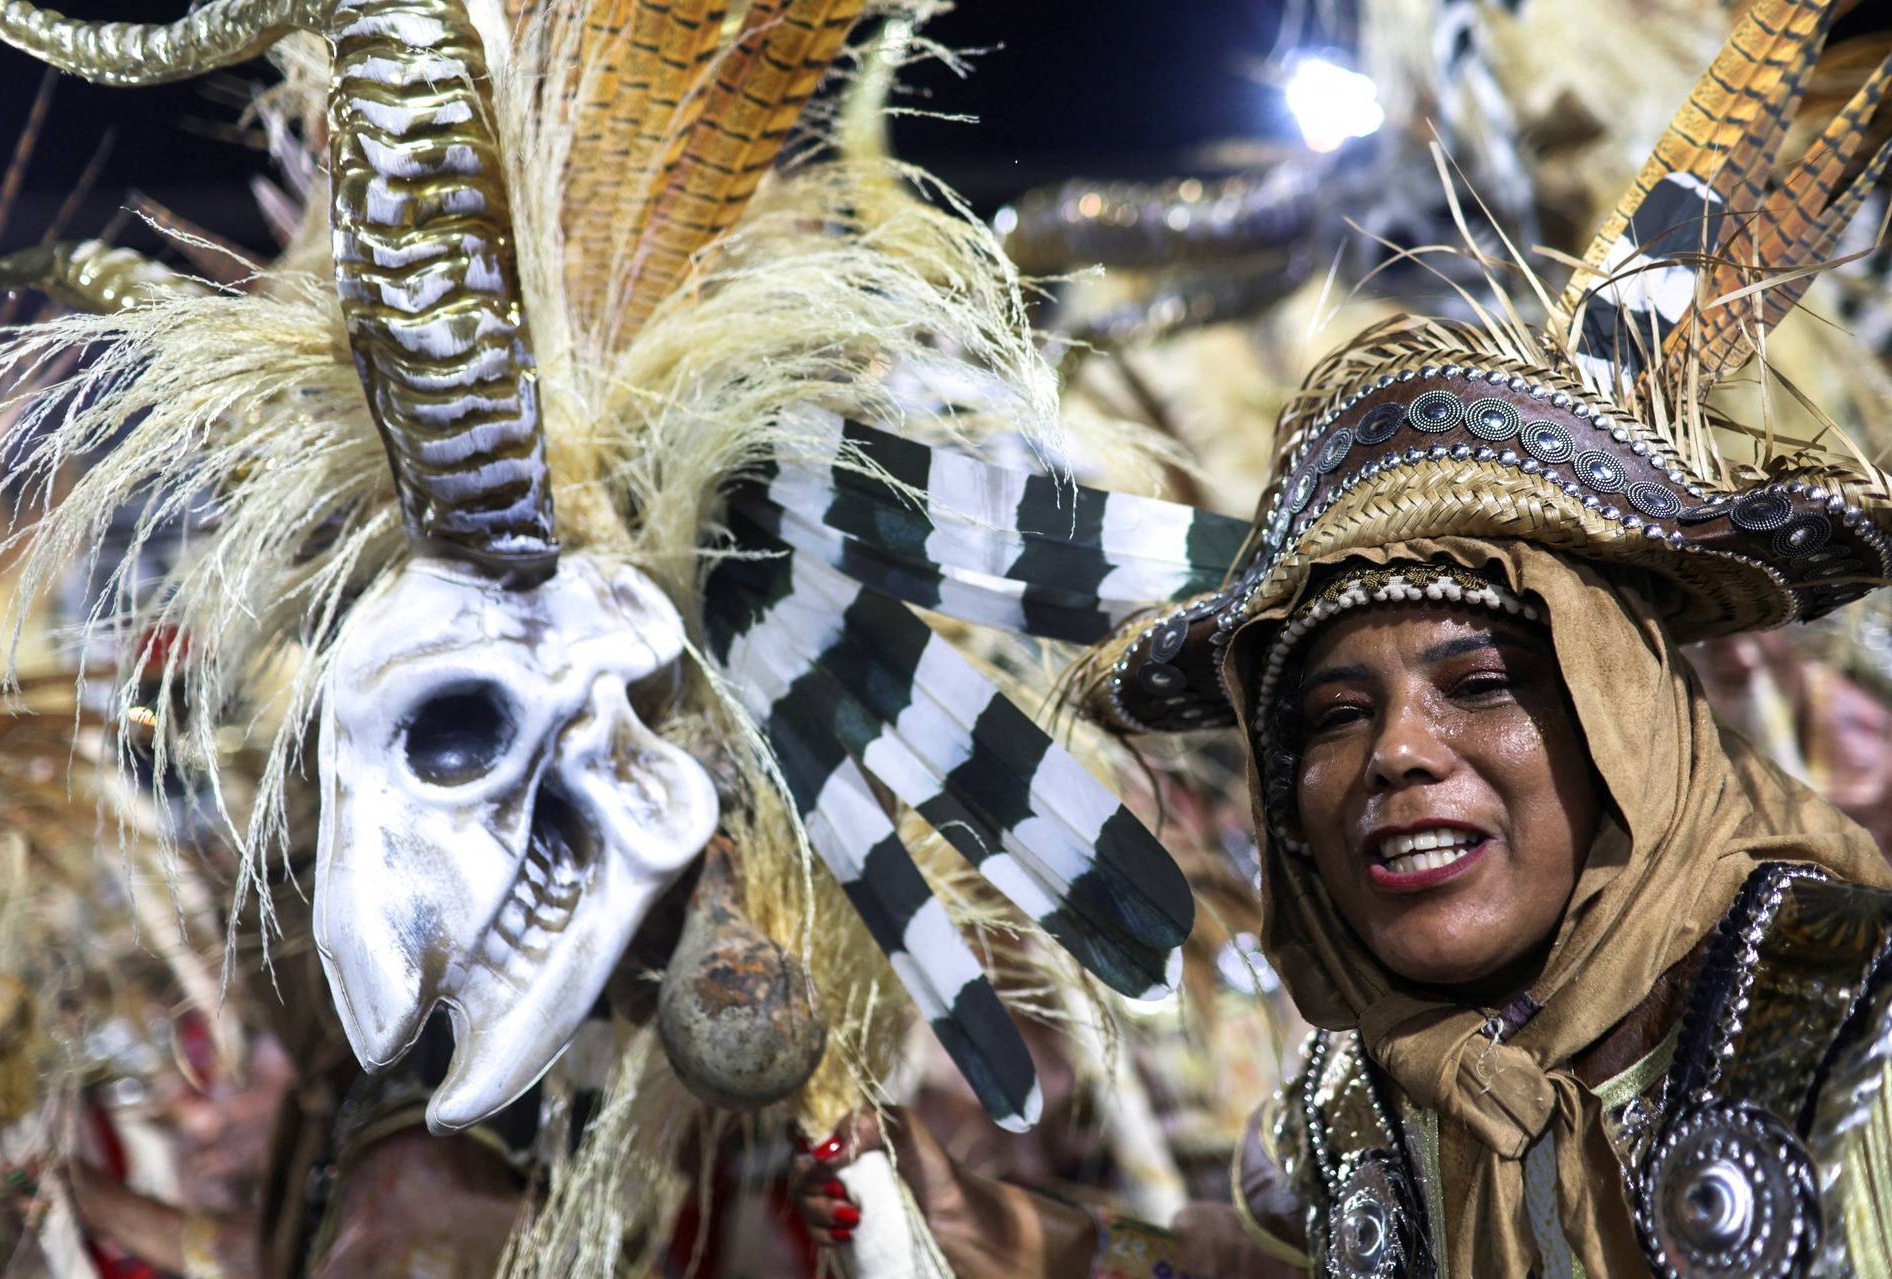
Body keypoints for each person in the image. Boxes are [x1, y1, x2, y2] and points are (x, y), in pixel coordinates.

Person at [791, 1, 1892, 1273]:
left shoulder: (1850, 1047)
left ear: (1629, 722)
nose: (1397, 757)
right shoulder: (1359, 1126)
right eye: (1329, 716)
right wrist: (972, 1227)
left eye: (1478, 679)